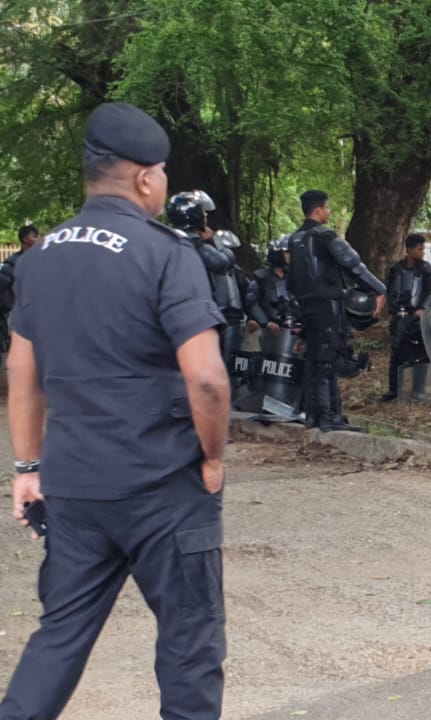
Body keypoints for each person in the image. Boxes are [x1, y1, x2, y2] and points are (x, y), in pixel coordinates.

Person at [1, 101, 230, 720]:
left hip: (74, 486)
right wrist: (212, 459)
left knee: (59, 635)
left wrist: (27, 467)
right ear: (146, 178)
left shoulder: (38, 258)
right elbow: (207, 379)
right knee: (189, 642)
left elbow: (22, 371)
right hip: (164, 485)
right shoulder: (166, 253)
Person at [286, 189, 386, 432]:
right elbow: (354, 265)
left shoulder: (295, 240)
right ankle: (329, 417)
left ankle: (314, 416)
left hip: (306, 308)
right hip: (326, 307)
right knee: (327, 361)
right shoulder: (325, 236)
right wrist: (379, 289)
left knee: (313, 360)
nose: (329, 212)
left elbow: (292, 279)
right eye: (327, 208)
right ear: (318, 210)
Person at [166, 191, 250, 382]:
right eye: (203, 213)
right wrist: (216, 241)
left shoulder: (167, 242)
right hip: (203, 315)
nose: (205, 216)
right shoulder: (198, 245)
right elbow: (222, 263)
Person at [381, 233, 431, 402]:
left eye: (423, 249)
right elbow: (390, 290)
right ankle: (394, 390)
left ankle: (418, 390)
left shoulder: (428, 270)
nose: (422, 252)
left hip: (418, 318)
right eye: (419, 249)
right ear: (409, 250)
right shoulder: (396, 269)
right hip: (400, 317)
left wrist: (423, 309)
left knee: (421, 353)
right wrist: (393, 309)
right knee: (397, 353)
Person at [0, 225, 39, 354]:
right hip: (19, 314)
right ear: (25, 239)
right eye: (34, 236)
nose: (38, 239)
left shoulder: (41, 259)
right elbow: (2, 288)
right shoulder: (12, 264)